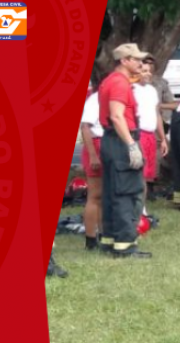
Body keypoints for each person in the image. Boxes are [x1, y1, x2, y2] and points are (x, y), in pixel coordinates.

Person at [98, 43, 151, 258]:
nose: (141, 63)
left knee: (112, 192)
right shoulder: (120, 84)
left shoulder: (110, 80)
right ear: (124, 61)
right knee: (127, 193)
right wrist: (131, 145)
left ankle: (110, 240)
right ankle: (126, 245)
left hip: (110, 140)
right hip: (121, 140)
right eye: (136, 59)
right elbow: (117, 116)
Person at [133, 64, 169, 210]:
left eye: (149, 71)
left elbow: (157, 115)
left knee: (147, 174)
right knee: (138, 174)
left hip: (150, 135)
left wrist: (162, 138)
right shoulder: (132, 89)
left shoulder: (152, 90)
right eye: (143, 71)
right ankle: (137, 209)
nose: (147, 74)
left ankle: (142, 208)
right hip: (137, 133)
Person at [80, 91, 104, 251]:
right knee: (95, 196)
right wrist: (93, 155)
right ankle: (90, 239)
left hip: (107, 144)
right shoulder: (96, 99)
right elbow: (85, 127)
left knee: (104, 196)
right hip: (96, 144)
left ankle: (104, 234)